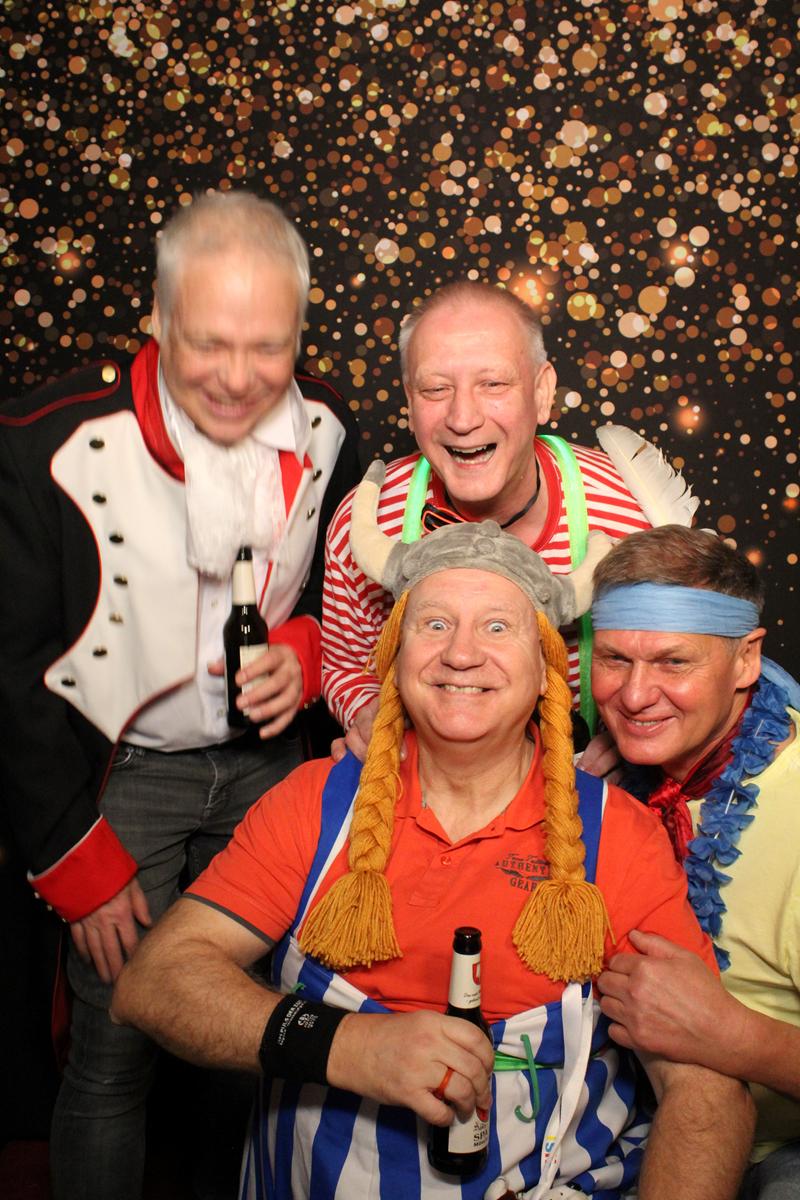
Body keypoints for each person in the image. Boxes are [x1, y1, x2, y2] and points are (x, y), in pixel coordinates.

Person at [112, 485, 753, 1200]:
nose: (461, 654)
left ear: (547, 668)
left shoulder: (617, 836)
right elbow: (154, 982)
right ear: (394, 655)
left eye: (498, 628)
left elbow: (706, 1088)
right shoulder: (315, 804)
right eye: (435, 624)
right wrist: (349, 1046)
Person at [0, 190, 361, 1200]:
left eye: (268, 347)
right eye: (209, 344)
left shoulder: (332, 425)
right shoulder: (44, 440)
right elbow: (11, 670)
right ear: (157, 318)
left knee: (257, 1035)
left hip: (269, 775)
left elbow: (345, 590)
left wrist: (303, 651)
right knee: (112, 1054)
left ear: (300, 331)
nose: (239, 379)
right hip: (122, 781)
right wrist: (71, 855)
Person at [322, 281, 663, 761]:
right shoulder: (367, 518)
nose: (462, 418)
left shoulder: (632, 514)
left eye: (494, 384)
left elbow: (677, 670)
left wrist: (632, 739)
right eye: (435, 389)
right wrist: (366, 710)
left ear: (542, 393)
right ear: (409, 403)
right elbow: (342, 665)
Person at [589, 525, 800, 1198]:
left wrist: (730, 1035)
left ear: (745, 660)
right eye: (614, 658)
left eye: (674, 662)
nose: (634, 696)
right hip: (623, 1122)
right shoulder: (609, 773)